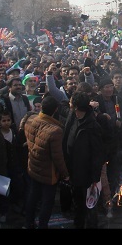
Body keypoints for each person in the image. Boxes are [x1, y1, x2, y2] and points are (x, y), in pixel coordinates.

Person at [23, 96, 70, 229]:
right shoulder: (55, 130)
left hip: (33, 166)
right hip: (49, 172)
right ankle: (42, 225)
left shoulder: (31, 120)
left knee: (33, 196)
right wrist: (65, 173)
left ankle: (28, 223)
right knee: (47, 201)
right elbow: (58, 157)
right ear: (55, 110)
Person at [62, 91, 104, 229]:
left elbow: (97, 153)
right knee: (78, 203)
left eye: (71, 103)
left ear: (76, 107)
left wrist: (94, 177)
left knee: (89, 204)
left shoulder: (92, 126)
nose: (69, 104)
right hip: (74, 170)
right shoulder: (74, 118)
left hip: (86, 173)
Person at [0, 111, 24, 224]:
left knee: (17, 186)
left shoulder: (13, 132)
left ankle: (15, 207)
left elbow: (17, 148)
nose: (6, 123)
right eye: (3, 120)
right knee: (3, 191)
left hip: (14, 165)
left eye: (8, 120)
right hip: (2, 167)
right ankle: (2, 212)